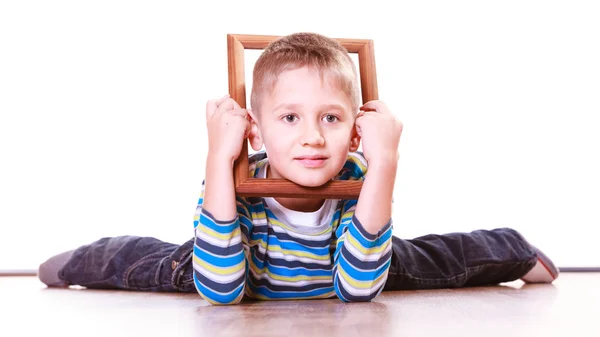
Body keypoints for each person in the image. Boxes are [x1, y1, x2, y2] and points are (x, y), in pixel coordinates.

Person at [38, 32, 559, 304]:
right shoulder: (236, 178)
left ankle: (513, 249)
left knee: (430, 261)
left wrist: (385, 164)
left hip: (351, 265)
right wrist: (219, 157)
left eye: (330, 118)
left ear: (354, 129)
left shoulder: (357, 172)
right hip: (234, 264)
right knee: (151, 263)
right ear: (258, 132)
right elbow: (222, 291)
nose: (312, 136)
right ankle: (79, 260)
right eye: (289, 117)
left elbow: (357, 291)